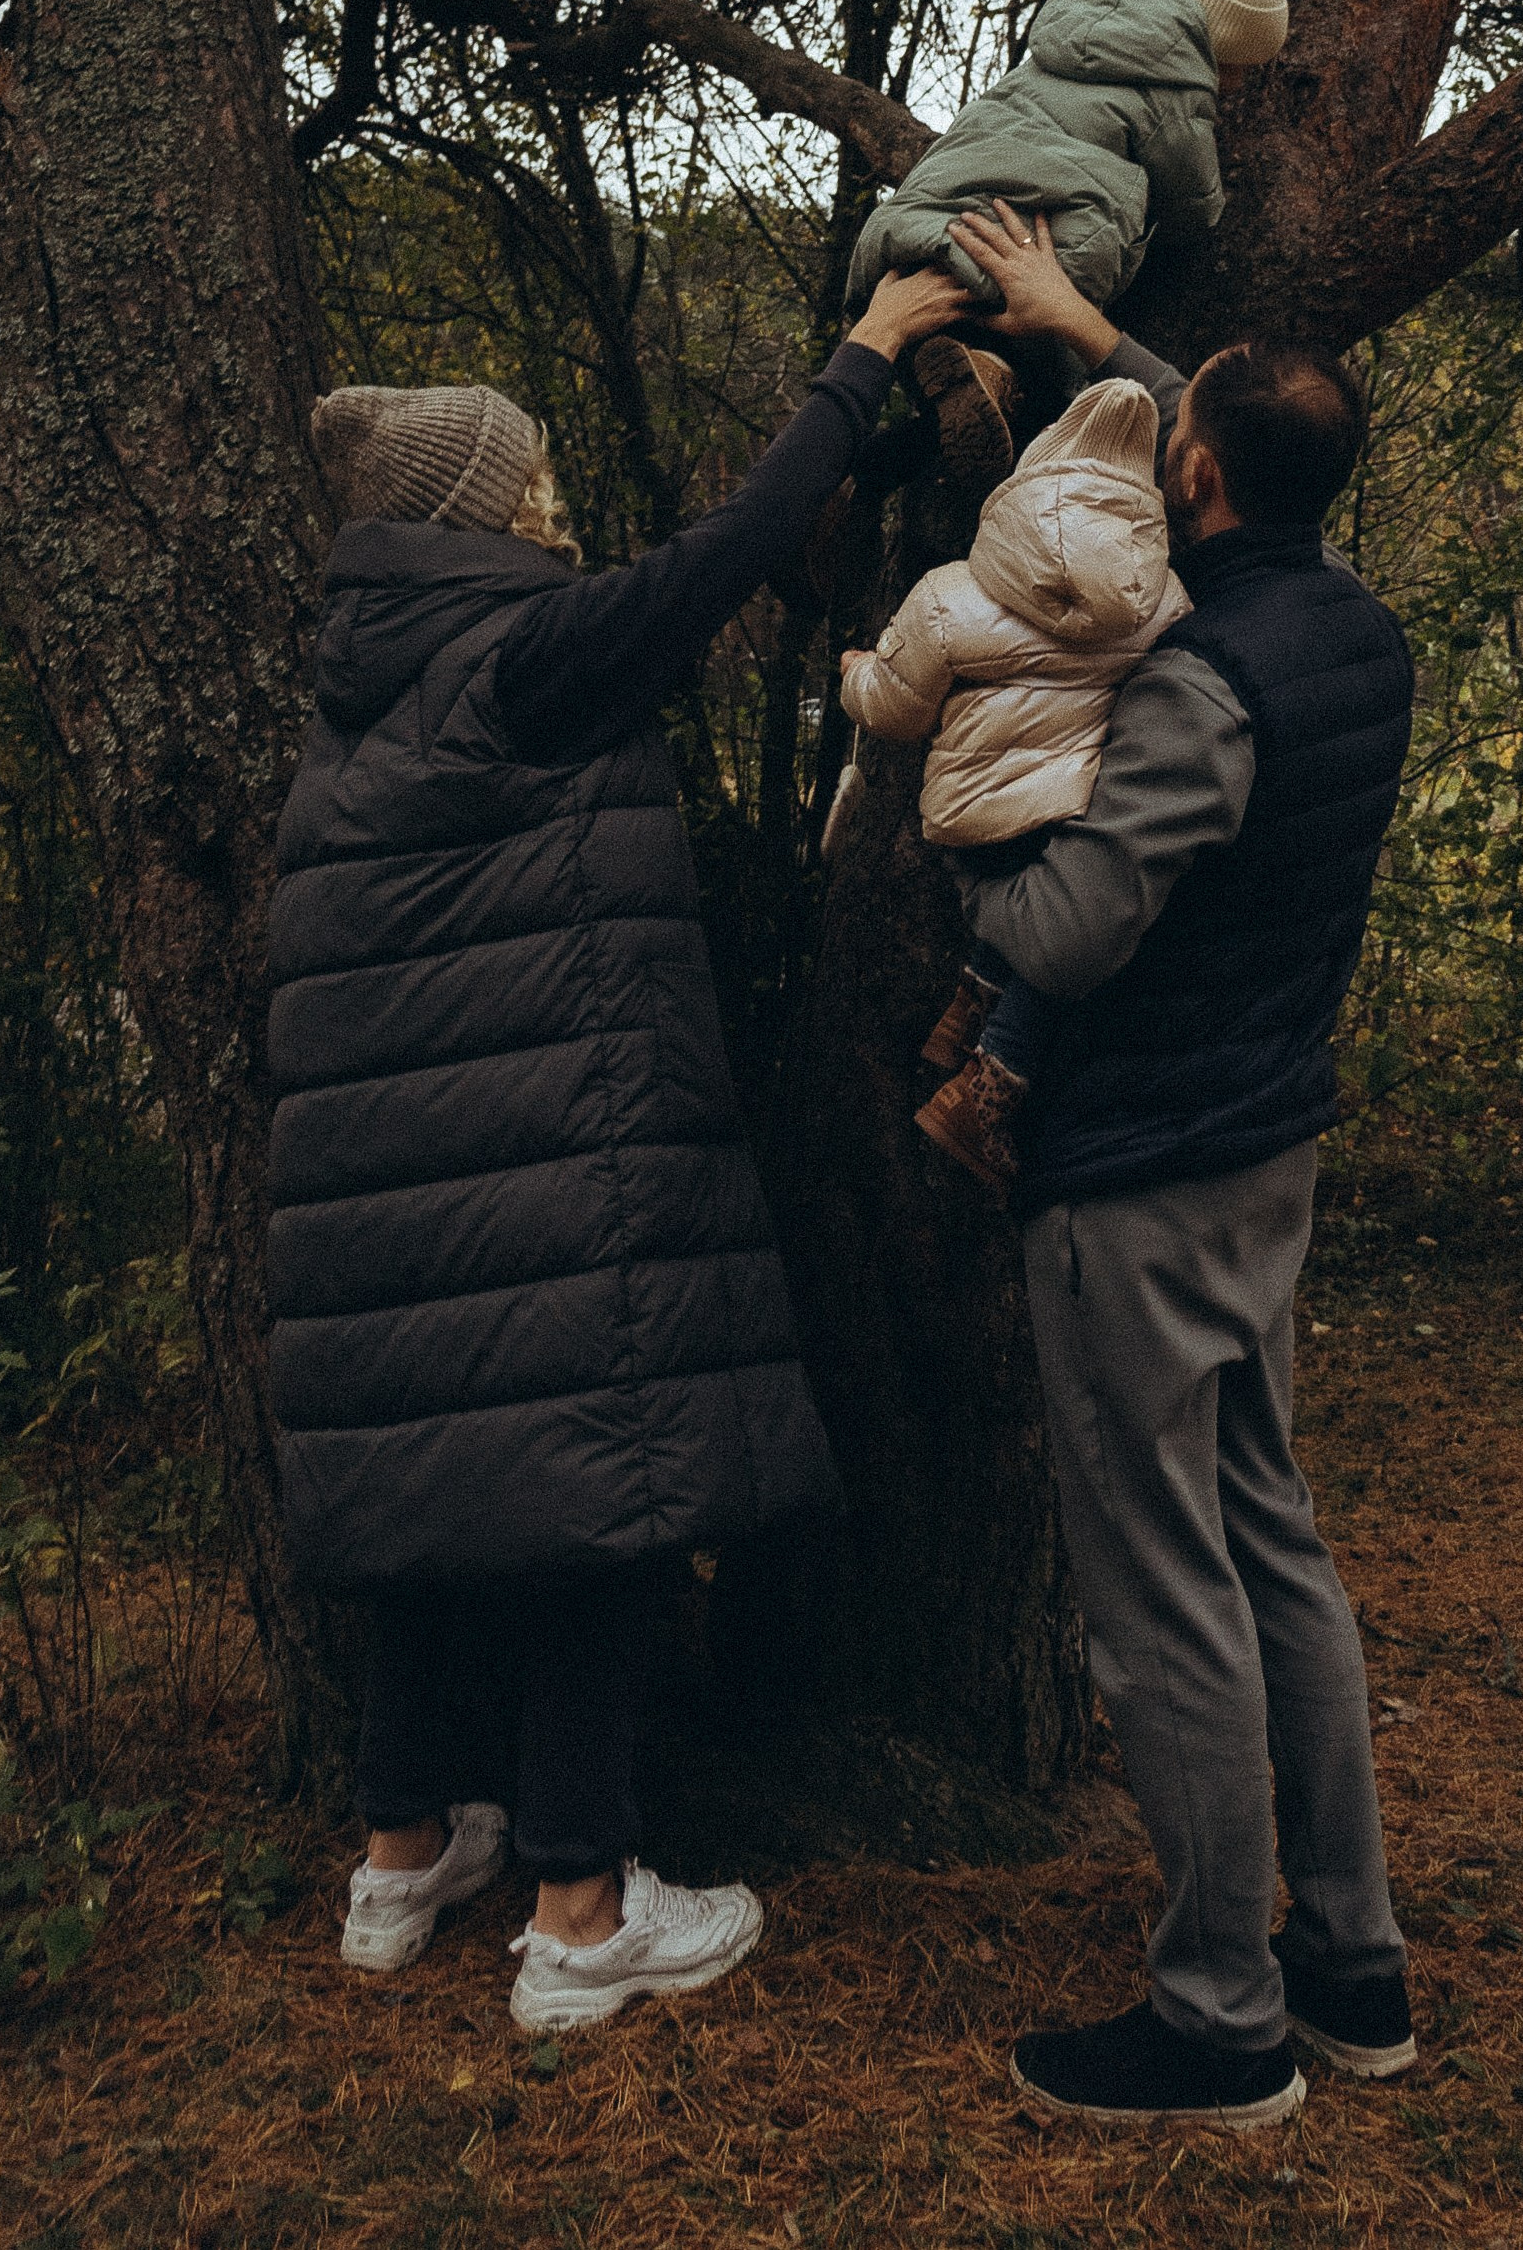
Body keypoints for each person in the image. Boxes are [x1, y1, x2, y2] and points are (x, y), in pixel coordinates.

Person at [263, 261, 965, 2037]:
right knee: (592, 1505)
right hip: (548, 1177)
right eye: (526, 477)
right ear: (471, 515)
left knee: (445, 1498)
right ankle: (580, 1909)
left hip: (401, 1205)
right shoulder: (523, 659)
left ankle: (402, 1849)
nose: (551, 495)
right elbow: (727, 553)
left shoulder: (359, 708)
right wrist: (866, 352)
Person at [941, 198, 1420, 2133]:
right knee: (1271, 1541)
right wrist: (1081, 326)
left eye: (1174, 433)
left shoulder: (1200, 683)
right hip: (1264, 1150)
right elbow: (1227, 438)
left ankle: (1219, 2014)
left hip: (1133, 1170)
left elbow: (1072, 928)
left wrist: (972, 865)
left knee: (1159, 1599)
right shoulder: (1351, 627)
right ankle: (1351, 1961)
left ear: (1195, 479)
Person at [833, 376, 1190, 1187]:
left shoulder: (950, 593)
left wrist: (857, 675)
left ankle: (973, 1047)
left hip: (969, 817)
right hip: (1072, 809)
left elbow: (895, 708)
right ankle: (991, 1070)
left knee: (1049, 933)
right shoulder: (1164, 597)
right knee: (1079, 941)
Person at [839, 0, 1289, 496]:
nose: (1233, 84)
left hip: (925, 218)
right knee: (1051, 369)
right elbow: (1194, 206)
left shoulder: (1071, 33)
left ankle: (857, 463)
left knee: (953, 318)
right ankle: (991, 377)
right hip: (1026, 250)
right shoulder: (1178, 88)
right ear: (1221, 44)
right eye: (1238, 69)